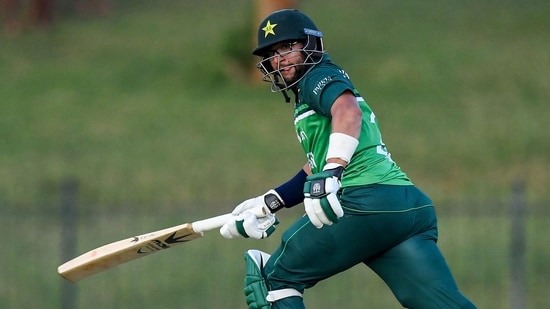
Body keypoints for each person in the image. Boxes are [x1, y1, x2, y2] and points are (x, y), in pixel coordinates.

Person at [220, 9, 476, 309]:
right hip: (404, 205)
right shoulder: (311, 93)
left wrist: (331, 173)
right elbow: (318, 161)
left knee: (270, 281)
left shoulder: (320, 75)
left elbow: (348, 112)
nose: (279, 59)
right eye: (273, 53)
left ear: (311, 44)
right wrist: (273, 200)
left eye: (288, 47)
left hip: (363, 201)